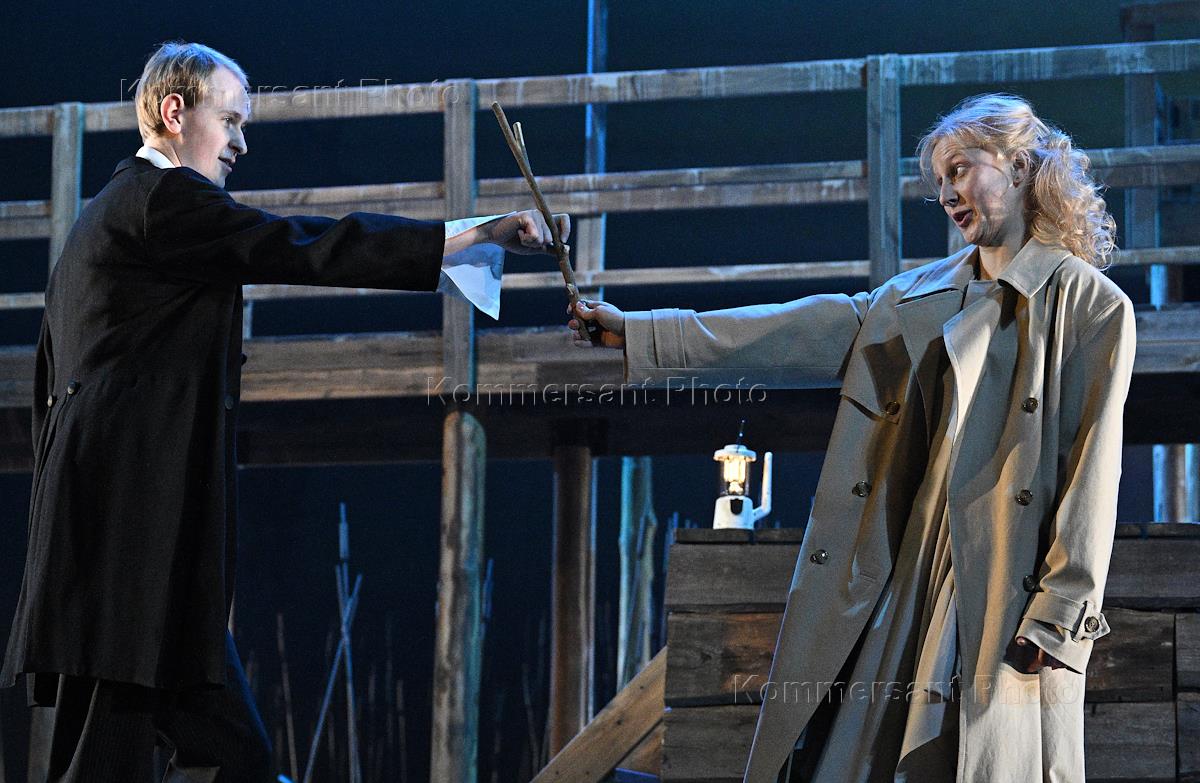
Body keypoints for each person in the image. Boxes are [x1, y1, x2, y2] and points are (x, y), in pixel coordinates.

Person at [0, 41, 568, 781]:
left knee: (229, 756)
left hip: (121, 552)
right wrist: (476, 235)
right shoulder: (162, 200)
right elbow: (305, 245)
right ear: (174, 112)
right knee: (136, 757)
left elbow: (51, 386)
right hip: (125, 552)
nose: (241, 143)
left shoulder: (105, 216)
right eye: (231, 121)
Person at [570, 94, 1135, 781]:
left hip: (997, 585)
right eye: (938, 181)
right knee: (859, 754)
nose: (946, 194)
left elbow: (1092, 472)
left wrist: (1059, 614)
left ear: (1018, 166)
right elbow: (783, 330)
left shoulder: (1091, 305)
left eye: (959, 170)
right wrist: (643, 333)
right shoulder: (910, 298)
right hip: (903, 569)